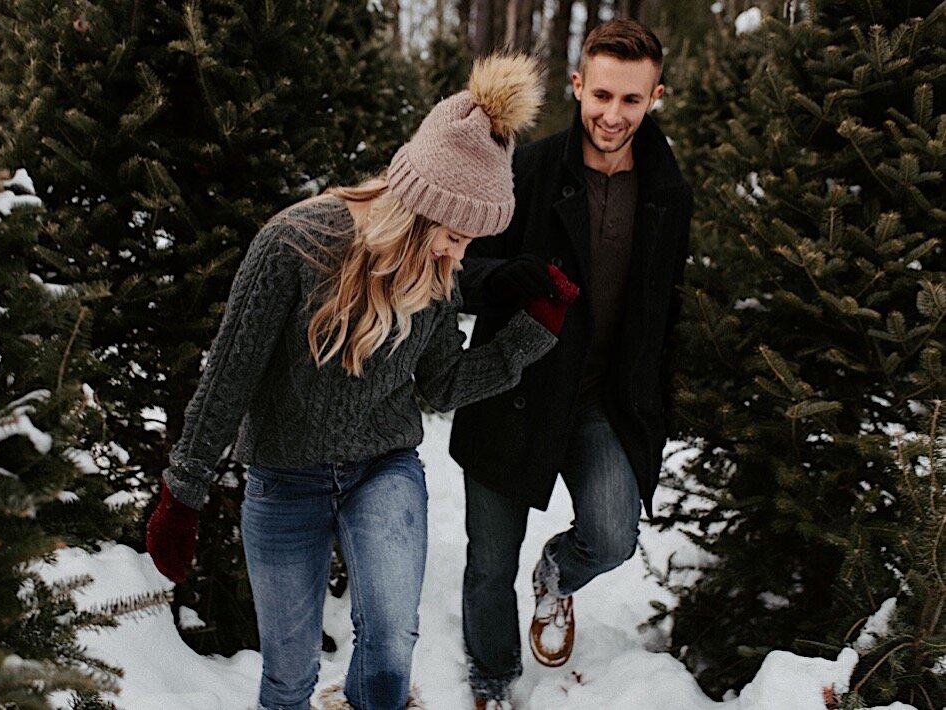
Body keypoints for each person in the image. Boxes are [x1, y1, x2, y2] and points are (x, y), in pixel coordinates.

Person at [145, 54, 580, 710]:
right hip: (282, 478)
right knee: (287, 677)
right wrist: (184, 491)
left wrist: (529, 336)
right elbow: (228, 376)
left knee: (388, 644)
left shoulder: (435, 277)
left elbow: (437, 386)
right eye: (456, 236)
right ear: (418, 212)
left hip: (382, 468)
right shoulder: (292, 244)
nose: (459, 256)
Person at [449, 19, 693, 709]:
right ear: (579, 85)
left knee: (613, 536)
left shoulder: (668, 194)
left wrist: (653, 399)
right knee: (488, 565)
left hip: (600, 401)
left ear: (655, 98)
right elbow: (458, 268)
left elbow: (665, 305)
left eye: (632, 101)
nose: (612, 116)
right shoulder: (525, 169)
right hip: (513, 386)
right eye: (602, 95)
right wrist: (512, 279)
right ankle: (492, 679)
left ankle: (555, 576)